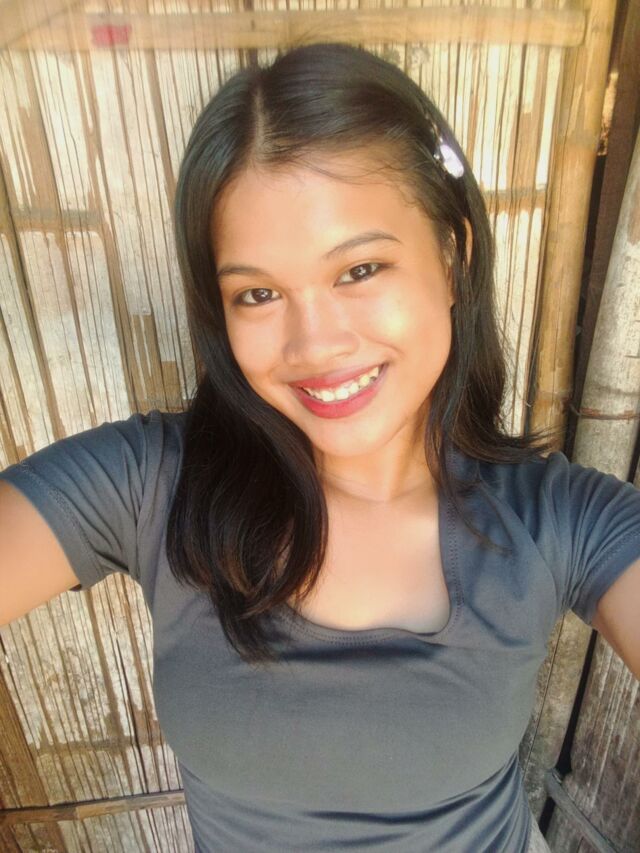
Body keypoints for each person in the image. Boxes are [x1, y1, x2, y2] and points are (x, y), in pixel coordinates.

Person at [0, 41, 638, 853]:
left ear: (453, 258)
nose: (316, 343)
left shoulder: (561, 519)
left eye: (360, 269)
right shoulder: (147, 487)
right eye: (259, 293)